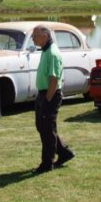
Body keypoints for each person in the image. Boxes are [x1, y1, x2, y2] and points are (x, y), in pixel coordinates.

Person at [31, 25, 75, 174]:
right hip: (43, 94)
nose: (33, 38)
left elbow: (54, 81)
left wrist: (47, 100)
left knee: (47, 129)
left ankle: (46, 163)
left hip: (50, 95)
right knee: (43, 127)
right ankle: (64, 153)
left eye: (35, 35)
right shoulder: (45, 51)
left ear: (45, 36)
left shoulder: (53, 53)